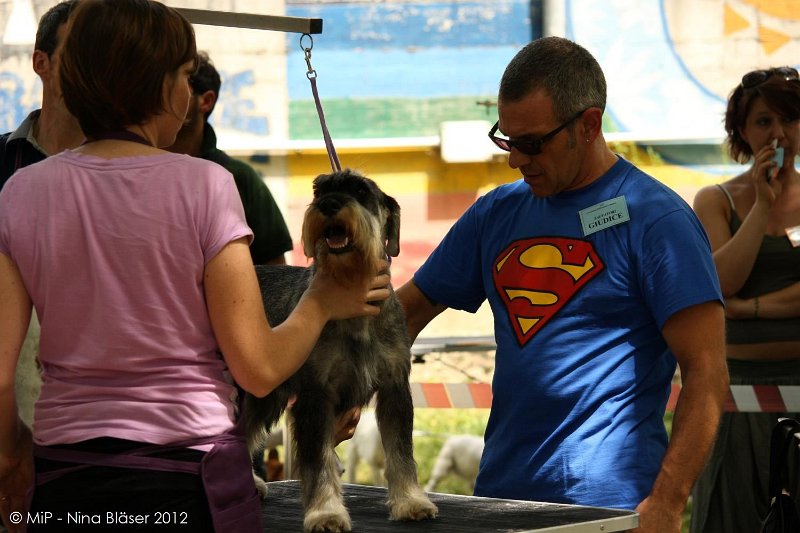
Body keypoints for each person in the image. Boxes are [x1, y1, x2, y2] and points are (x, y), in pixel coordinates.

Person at [0, 1, 389, 532]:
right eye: (184, 75)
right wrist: (320, 300)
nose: (189, 93)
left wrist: (13, 451)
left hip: (65, 476)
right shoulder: (204, 186)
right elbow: (257, 367)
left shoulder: (21, 191)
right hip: (190, 480)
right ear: (156, 85)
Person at [396, 36, 728, 532]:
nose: (515, 158)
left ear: (589, 125)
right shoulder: (496, 211)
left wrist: (667, 501)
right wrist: (346, 389)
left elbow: (707, 374)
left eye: (531, 143)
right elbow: (404, 314)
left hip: (610, 509)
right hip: (501, 501)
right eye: (505, 139)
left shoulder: (657, 220)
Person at [690, 67, 800, 533]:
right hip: (735, 395)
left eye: (789, 119)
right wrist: (761, 203)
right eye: (763, 121)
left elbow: (734, 300)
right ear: (741, 130)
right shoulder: (716, 200)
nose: (778, 133)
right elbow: (720, 282)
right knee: (731, 516)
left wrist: (749, 309)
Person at [0, 0, 84, 434]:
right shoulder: (4, 160)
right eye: (80, 51)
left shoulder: (134, 174)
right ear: (41, 62)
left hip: (91, 425)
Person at [166, 52, 292, 266]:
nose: (164, 95)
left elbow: (276, 269)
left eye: (179, 83)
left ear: (206, 101)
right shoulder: (139, 166)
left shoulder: (238, 178)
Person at [0, 0, 83, 188]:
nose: (92, 68)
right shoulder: (4, 156)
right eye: (79, 53)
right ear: (41, 63)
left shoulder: (122, 164)